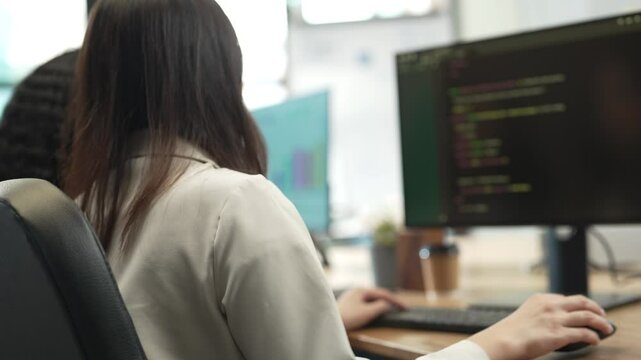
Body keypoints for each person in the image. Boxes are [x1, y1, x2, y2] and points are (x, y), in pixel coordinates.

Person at [61, 0, 613, 359]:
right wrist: (495, 343)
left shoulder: (79, 214)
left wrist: (319, 317)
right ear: (220, 79)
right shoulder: (232, 203)